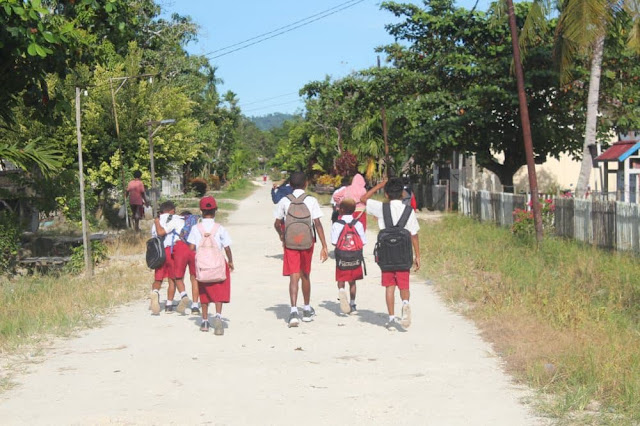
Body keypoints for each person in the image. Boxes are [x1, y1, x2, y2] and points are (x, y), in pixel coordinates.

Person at [361, 178, 420, 330]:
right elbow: (414, 234)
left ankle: (391, 319)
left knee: (389, 286)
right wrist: (417, 256)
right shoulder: (409, 211)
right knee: (404, 285)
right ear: (402, 193)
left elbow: (363, 199)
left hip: (386, 255)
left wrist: (379, 186)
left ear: (386, 194)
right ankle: (405, 304)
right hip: (403, 254)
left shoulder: (381, 208)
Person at [273, 171, 329, 327]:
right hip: (307, 242)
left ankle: (292, 312)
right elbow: (317, 224)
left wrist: (282, 236)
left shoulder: (284, 201)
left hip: (290, 243)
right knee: (305, 275)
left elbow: (277, 223)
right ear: (306, 183)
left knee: (294, 276)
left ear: (290, 185)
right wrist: (324, 246)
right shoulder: (311, 200)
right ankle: (306, 309)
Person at [187, 196, 234, 335]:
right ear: (215, 210)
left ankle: (205, 321)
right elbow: (226, 247)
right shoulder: (219, 228)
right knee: (219, 290)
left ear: (201, 211)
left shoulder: (196, 228)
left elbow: (191, 247)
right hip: (218, 264)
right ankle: (218, 316)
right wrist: (230, 261)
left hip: (203, 265)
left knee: (204, 292)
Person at [149, 201, 191, 315]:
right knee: (172, 279)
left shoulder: (155, 223)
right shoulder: (176, 219)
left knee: (158, 278)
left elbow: (154, 236)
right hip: (171, 250)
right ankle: (169, 304)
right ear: (172, 210)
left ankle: (155, 293)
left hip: (159, 252)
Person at [331, 198, 366, 314]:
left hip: (342, 255)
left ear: (341, 210)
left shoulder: (337, 224)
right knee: (353, 281)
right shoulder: (358, 224)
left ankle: (341, 290)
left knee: (341, 278)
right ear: (354, 210)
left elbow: (334, 242)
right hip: (354, 256)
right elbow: (363, 242)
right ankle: (352, 304)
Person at [178, 210, 201, 315]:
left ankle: (183, 295)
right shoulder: (196, 224)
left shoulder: (178, 221)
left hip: (182, 249)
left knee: (179, 277)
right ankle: (195, 305)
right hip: (194, 251)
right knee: (194, 279)